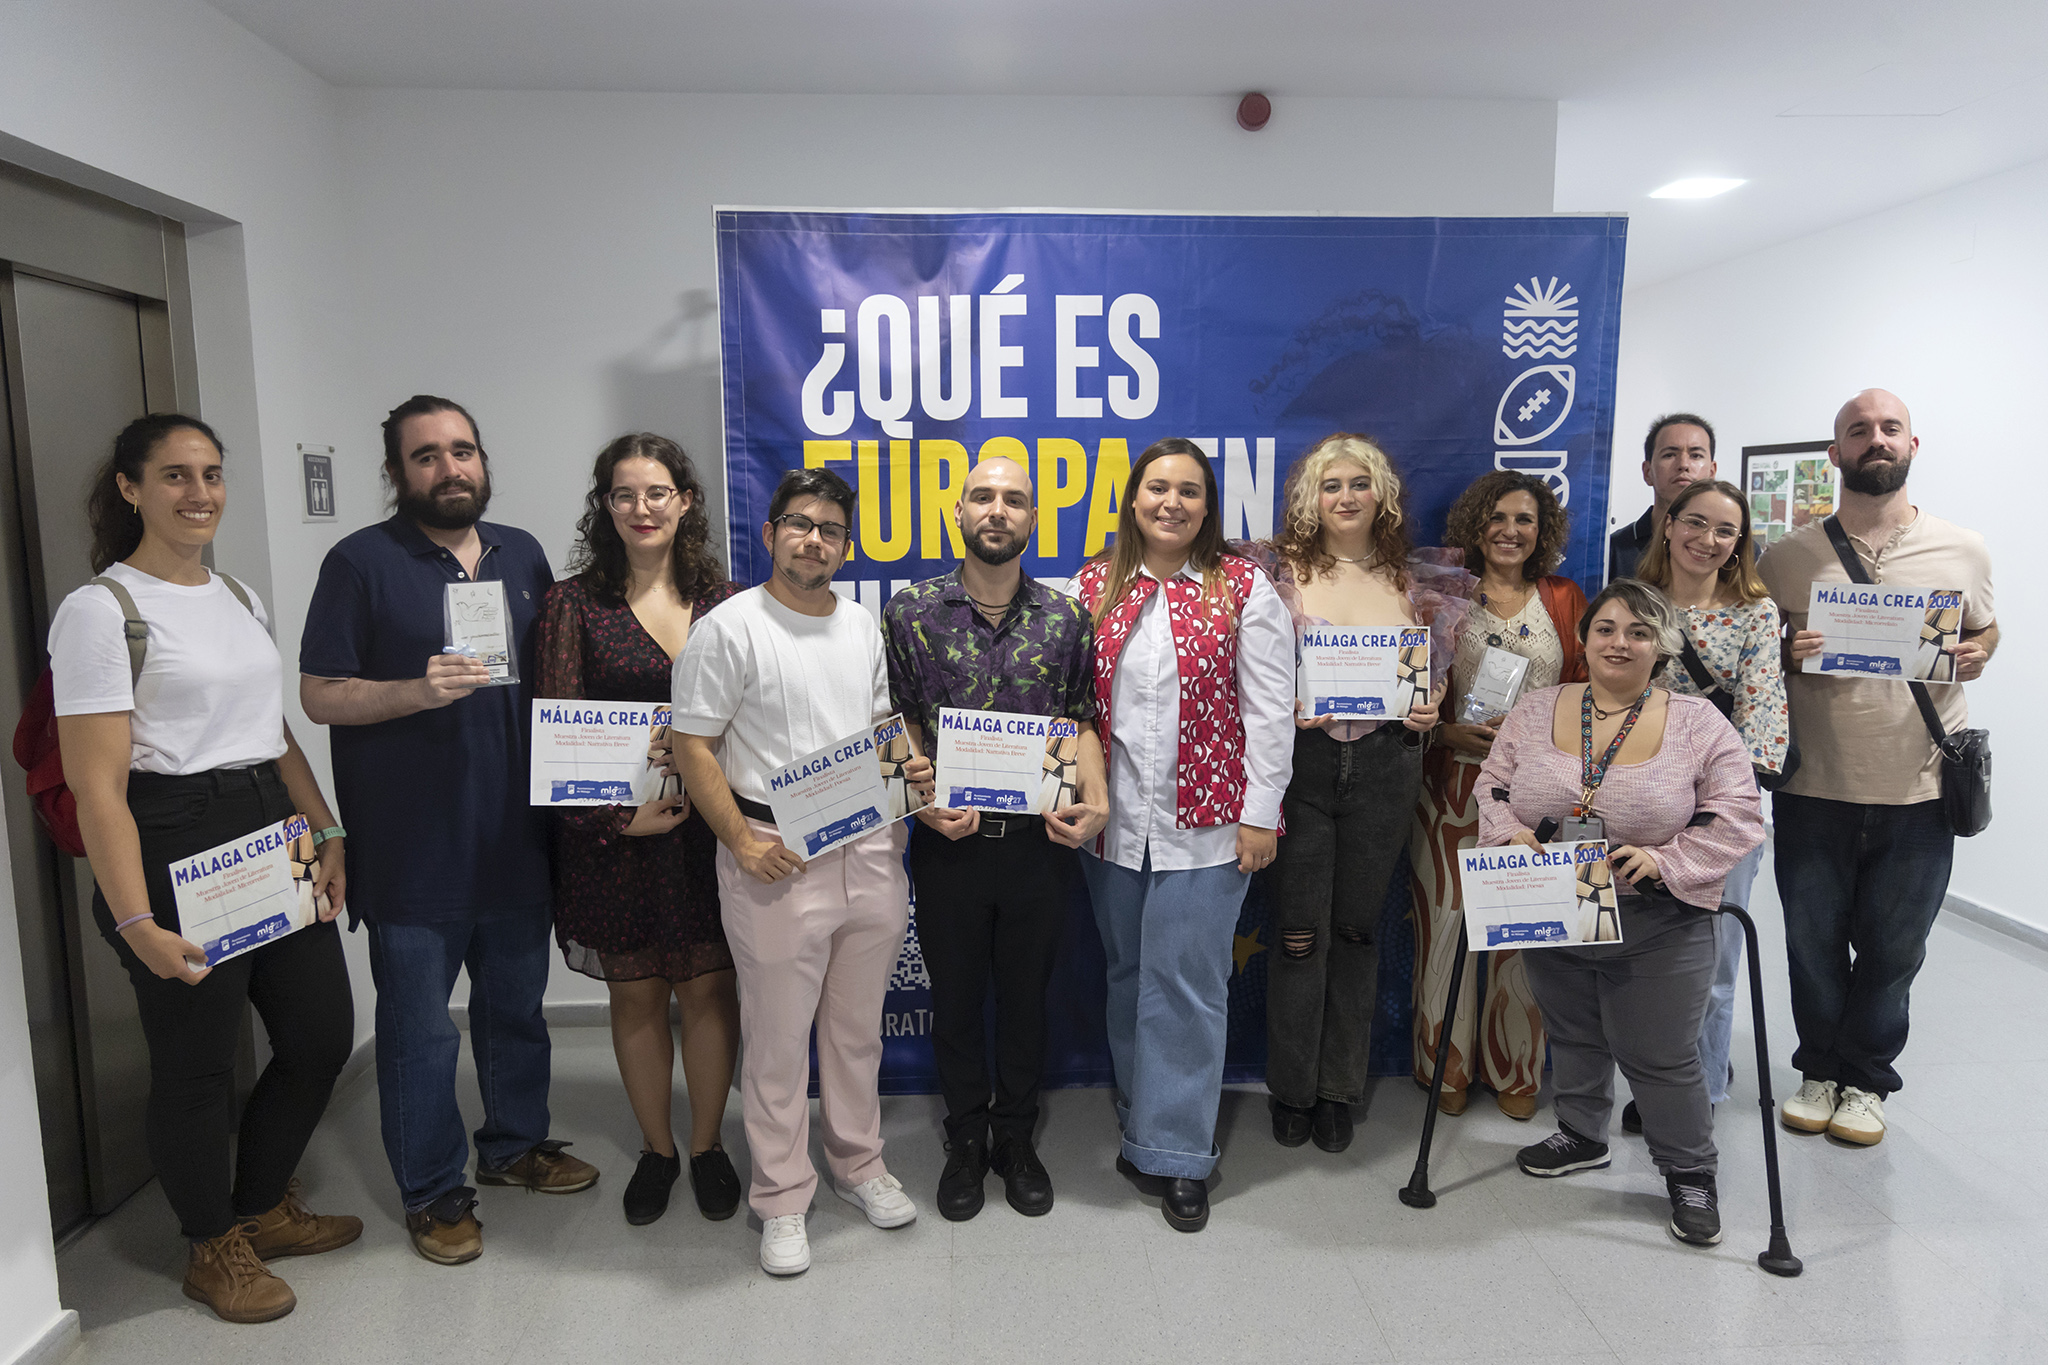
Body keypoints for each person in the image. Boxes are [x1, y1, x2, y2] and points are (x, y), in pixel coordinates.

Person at [53, 414, 358, 1323]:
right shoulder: (101, 611)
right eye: (176, 475)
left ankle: (260, 1205)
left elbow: (273, 734)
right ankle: (209, 1242)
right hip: (171, 833)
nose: (199, 493)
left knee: (317, 1035)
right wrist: (137, 921)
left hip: (270, 823)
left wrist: (326, 828)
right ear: (130, 489)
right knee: (194, 1062)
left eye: (212, 473)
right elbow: (98, 788)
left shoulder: (238, 594)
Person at [301, 395, 594, 1267]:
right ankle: (433, 1189)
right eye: (426, 455)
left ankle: (513, 1146)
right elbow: (320, 692)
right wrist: (411, 691)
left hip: (514, 837)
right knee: (421, 1032)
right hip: (410, 848)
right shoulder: (359, 563)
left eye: (462, 449)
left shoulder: (524, 555)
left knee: (515, 1011)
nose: (449, 467)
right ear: (397, 473)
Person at [672, 466, 936, 1277]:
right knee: (780, 1040)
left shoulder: (859, 625)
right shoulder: (728, 627)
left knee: (855, 1030)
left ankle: (858, 1163)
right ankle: (783, 1196)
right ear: (772, 533)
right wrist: (741, 844)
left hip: (869, 844)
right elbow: (693, 744)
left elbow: (882, 720)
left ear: (845, 545)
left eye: (829, 528)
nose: (813, 539)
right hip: (775, 854)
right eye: (800, 523)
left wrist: (912, 767)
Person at [1478, 580, 1764, 1247]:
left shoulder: (1699, 722)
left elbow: (1738, 814)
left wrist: (1669, 861)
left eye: (1639, 631)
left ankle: (1689, 1169)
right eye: (1605, 627)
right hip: (1554, 898)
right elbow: (1491, 784)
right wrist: (1509, 832)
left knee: (1661, 1052)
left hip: (1659, 915)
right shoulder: (1536, 708)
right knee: (1573, 1030)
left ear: (1662, 645)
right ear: (1584, 638)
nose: (1619, 642)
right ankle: (1581, 1133)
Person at [1759, 389, 1996, 1146]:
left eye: (1889, 428)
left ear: (1912, 445)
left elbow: (1988, 633)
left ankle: (1866, 1081)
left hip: (1921, 785)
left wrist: (1977, 654)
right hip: (1813, 784)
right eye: (1858, 431)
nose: (1875, 440)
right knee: (1812, 940)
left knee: (1896, 949)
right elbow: (1755, 658)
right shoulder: (1786, 556)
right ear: (1836, 454)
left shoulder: (1963, 549)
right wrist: (1784, 654)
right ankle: (1818, 1069)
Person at [1074, 438, 1294, 1233]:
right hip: (1113, 827)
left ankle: (1176, 1150)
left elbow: (1270, 710)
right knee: (1130, 973)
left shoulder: (1243, 588)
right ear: (1133, 498)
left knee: (1190, 987)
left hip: (1209, 829)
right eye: (1157, 487)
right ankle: (1143, 1116)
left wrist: (1261, 813)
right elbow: (1077, 710)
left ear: (1209, 506)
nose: (1172, 502)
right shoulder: (1094, 585)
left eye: (1190, 491)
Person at [882, 455, 1108, 1221]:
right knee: (954, 1000)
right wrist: (918, 800)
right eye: (984, 496)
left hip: (1038, 844)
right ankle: (965, 1139)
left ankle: (1015, 1136)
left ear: (1033, 520)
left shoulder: (1066, 616)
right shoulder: (909, 611)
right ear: (959, 512)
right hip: (949, 842)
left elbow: (1079, 721)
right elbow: (898, 720)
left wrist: (1094, 797)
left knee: (1023, 999)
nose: (998, 510)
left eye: (1014, 499)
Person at [534, 434, 743, 1225]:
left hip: (708, 831)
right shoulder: (571, 605)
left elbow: (753, 717)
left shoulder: (727, 603)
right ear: (606, 507)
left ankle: (706, 1145)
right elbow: (557, 734)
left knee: (710, 988)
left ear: (685, 501)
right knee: (638, 996)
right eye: (625, 494)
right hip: (615, 837)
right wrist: (621, 817)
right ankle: (657, 1149)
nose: (642, 508)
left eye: (657, 492)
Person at [1254, 435, 1458, 1154]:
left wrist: (1429, 703)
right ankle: (1292, 1087)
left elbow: (1430, 678)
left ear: (1382, 495)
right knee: (1299, 934)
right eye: (1330, 484)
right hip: (1303, 766)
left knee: (1357, 933)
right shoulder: (1277, 574)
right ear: (1310, 497)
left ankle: (1339, 1086)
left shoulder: (1416, 581)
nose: (1344, 496)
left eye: (1358, 483)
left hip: (1384, 769)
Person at [1412, 470, 1587, 1119]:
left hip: (1531, 791)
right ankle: (1442, 1064)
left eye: (1525, 520)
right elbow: (1412, 692)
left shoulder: (1565, 599)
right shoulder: (1439, 595)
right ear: (1475, 525)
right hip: (1450, 782)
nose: (1511, 530)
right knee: (1447, 926)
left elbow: (1582, 691)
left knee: (1522, 929)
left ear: (1542, 533)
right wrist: (1443, 728)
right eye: (1499, 517)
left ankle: (1515, 1065)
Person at [1628, 478, 1787, 1131]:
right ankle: (1656, 1080)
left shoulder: (1755, 614)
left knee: (1714, 963)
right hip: (1637, 805)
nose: (1709, 540)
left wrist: (1714, 812)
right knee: (1645, 961)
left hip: (1720, 813)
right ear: (1668, 524)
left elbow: (1762, 712)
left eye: (1727, 531)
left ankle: (1696, 1099)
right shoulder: (1633, 605)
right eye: (1696, 523)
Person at [1609, 414, 1718, 582]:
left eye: (1695, 455)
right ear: (1647, 472)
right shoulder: (1614, 550)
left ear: (1712, 472)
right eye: (1669, 455)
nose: (1683, 464)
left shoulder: (1731, 549)